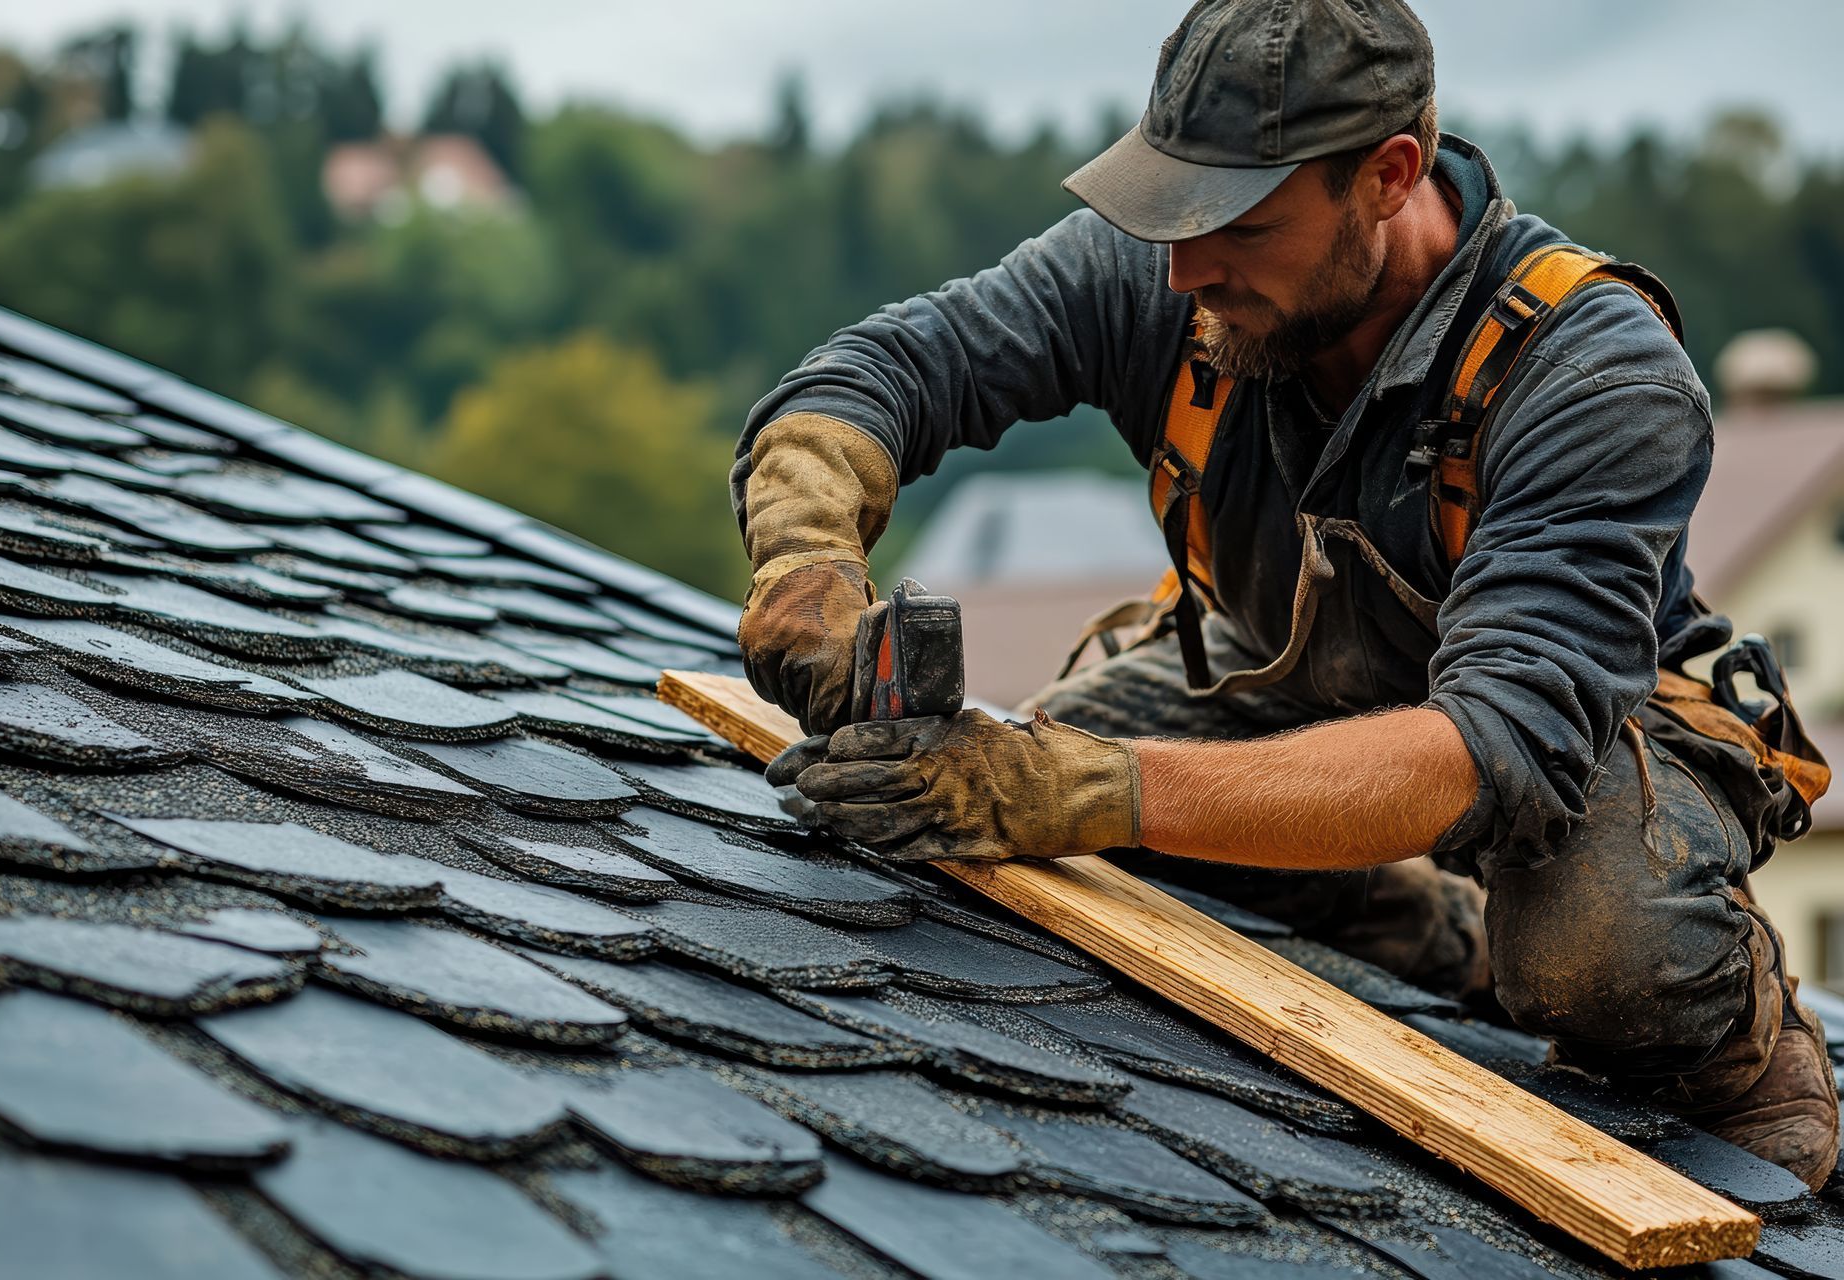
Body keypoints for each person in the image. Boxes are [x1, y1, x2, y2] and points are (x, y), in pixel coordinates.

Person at [728, 0, 1837, 1187]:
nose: (1182, 269)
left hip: (1590, 746)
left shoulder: (1596, 370)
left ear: (1389, 176)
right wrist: (805, 556)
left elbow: (1488, 750)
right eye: (1168, 211)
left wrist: (1090, 789)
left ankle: (1737, 1040)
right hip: (1293, 687)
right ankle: (1417, 922)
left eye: (1237, 225)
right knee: (1020, 803)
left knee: (1598, 950)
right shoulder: (1175, 270)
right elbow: (885, 369)